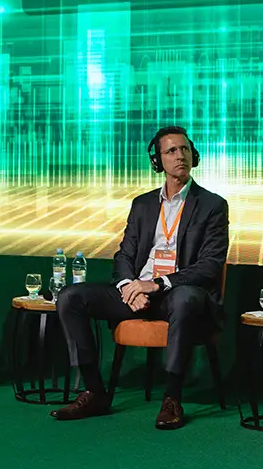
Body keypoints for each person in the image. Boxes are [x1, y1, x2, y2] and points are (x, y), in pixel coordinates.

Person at [51, 126, 228, 429]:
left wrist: (158, 284)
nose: (180, 156)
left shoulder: (212, 205)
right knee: (70, 297)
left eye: (185, 149)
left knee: (185, 298)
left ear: (194, 155)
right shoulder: (142, 204)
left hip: (177, 292)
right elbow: (124, 255)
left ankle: (172, 398)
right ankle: (94, 392)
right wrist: (127, 288)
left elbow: (210, 265)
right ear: (157, 161)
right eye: (171, 151)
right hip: (137, 291)